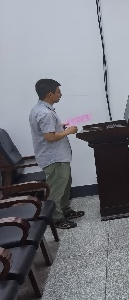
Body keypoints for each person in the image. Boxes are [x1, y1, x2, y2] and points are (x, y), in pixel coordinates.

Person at [28, 79, 83, 229]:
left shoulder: (41, 109)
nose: (61, 94)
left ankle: (65, 210)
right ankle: (56, 218)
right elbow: (50, 137)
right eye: (58, 92)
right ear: (50, 94)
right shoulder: (45, 113)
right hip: (54, 158)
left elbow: (48, 131)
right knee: (56, 189)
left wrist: (60, 127)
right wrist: (68, 131)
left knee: (64, 185)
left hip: (58, 156)